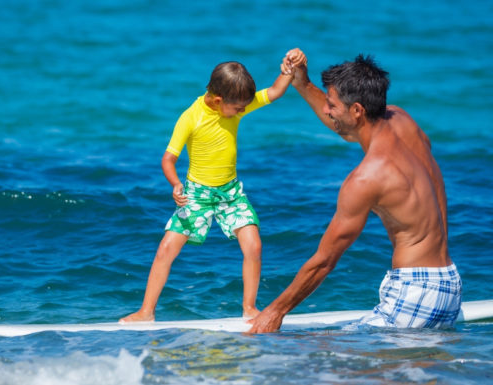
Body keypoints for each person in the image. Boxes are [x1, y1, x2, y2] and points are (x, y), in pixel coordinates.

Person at [247, 49, 462, 332]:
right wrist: (302, 83)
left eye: (331, 104)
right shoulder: (402, 120)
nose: (326, 110)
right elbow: (345, 126)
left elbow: (324, 261)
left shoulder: (366, 178)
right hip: (448, 282)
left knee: (314, 361)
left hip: (413, 293)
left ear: (358, 109)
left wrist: (275, 313)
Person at [120, 54, 304, 323]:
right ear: (219, 101)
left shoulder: (234, 102)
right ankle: (146, 311)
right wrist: (175, 184)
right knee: (166, 249)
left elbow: (275, 92)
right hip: (197, 194)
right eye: (238, 108)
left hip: (231, 194)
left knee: (253, 246)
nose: (242, 111)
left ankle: (249, 308)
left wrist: (290, 69)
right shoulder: (191, 117)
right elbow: (168, 159)